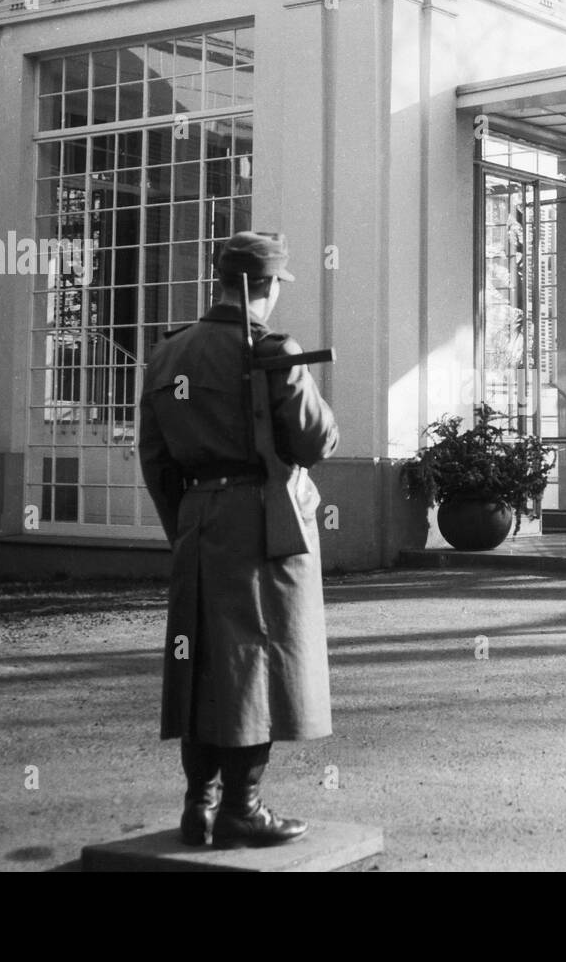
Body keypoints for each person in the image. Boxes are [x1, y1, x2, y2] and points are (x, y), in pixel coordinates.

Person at [139, 230, 339, 848]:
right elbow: (315, 442)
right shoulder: (274, 350)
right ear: (267, 286)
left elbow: (155, 458)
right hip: (261, 522)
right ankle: (242, 809)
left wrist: (188, 524)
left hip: (199, 520)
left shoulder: (167, 354)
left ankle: (197, 806)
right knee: (257, 662)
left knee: (197, 662)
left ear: (221, 281)